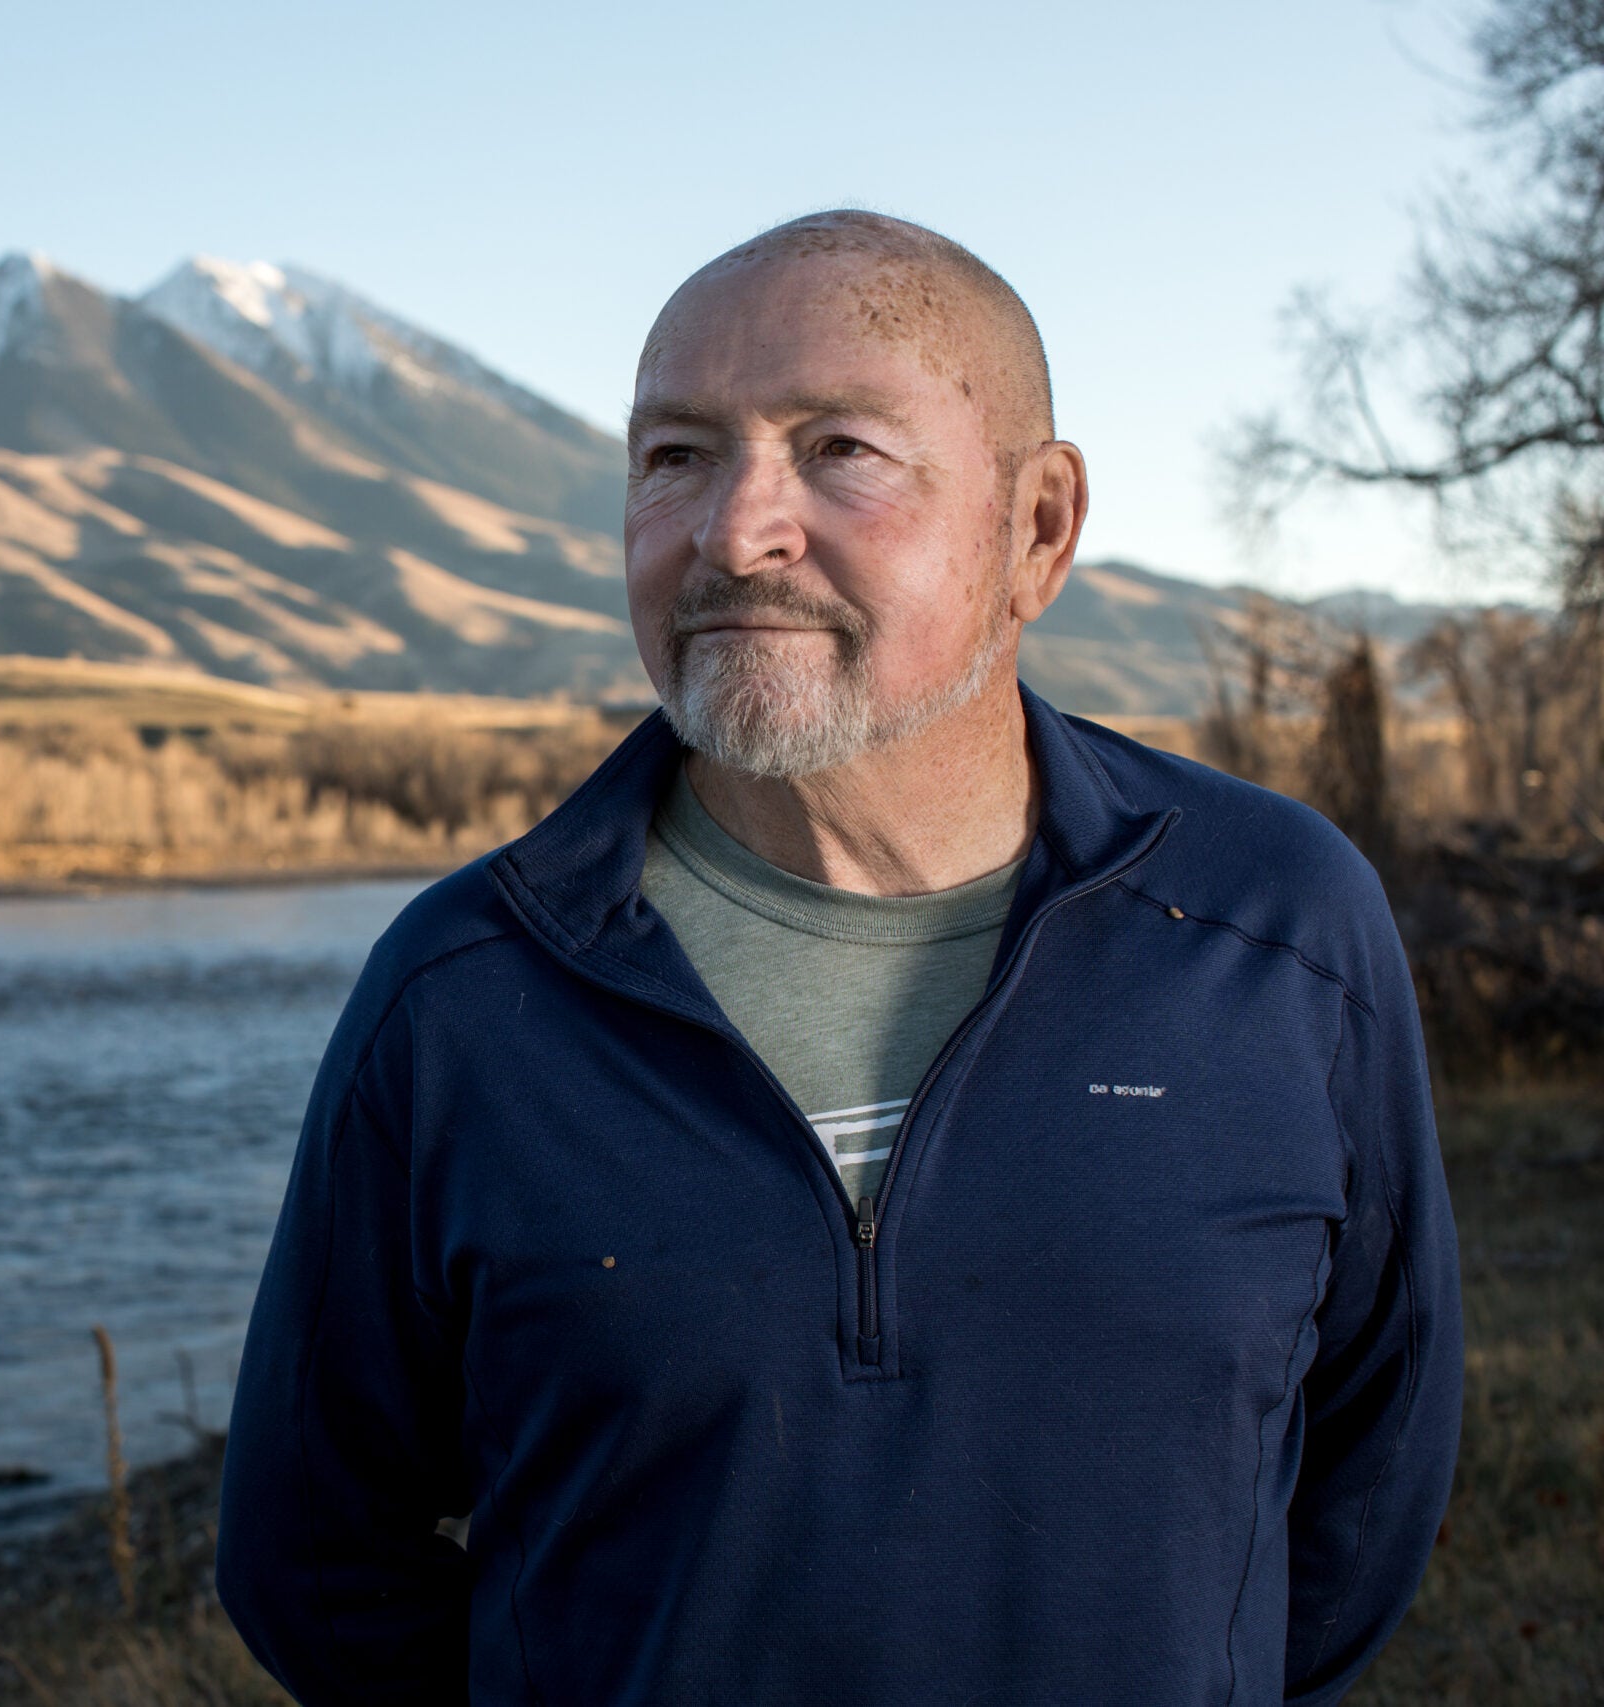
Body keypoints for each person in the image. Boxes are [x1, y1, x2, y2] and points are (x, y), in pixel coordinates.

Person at [213, 210, 1463, 1705]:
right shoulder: (463, 993)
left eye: (840, 451)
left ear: (1038, 528)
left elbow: (1367, 1487)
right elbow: (313, 1561)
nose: (737, 531)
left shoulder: (1277, 929)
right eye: (675, 456)